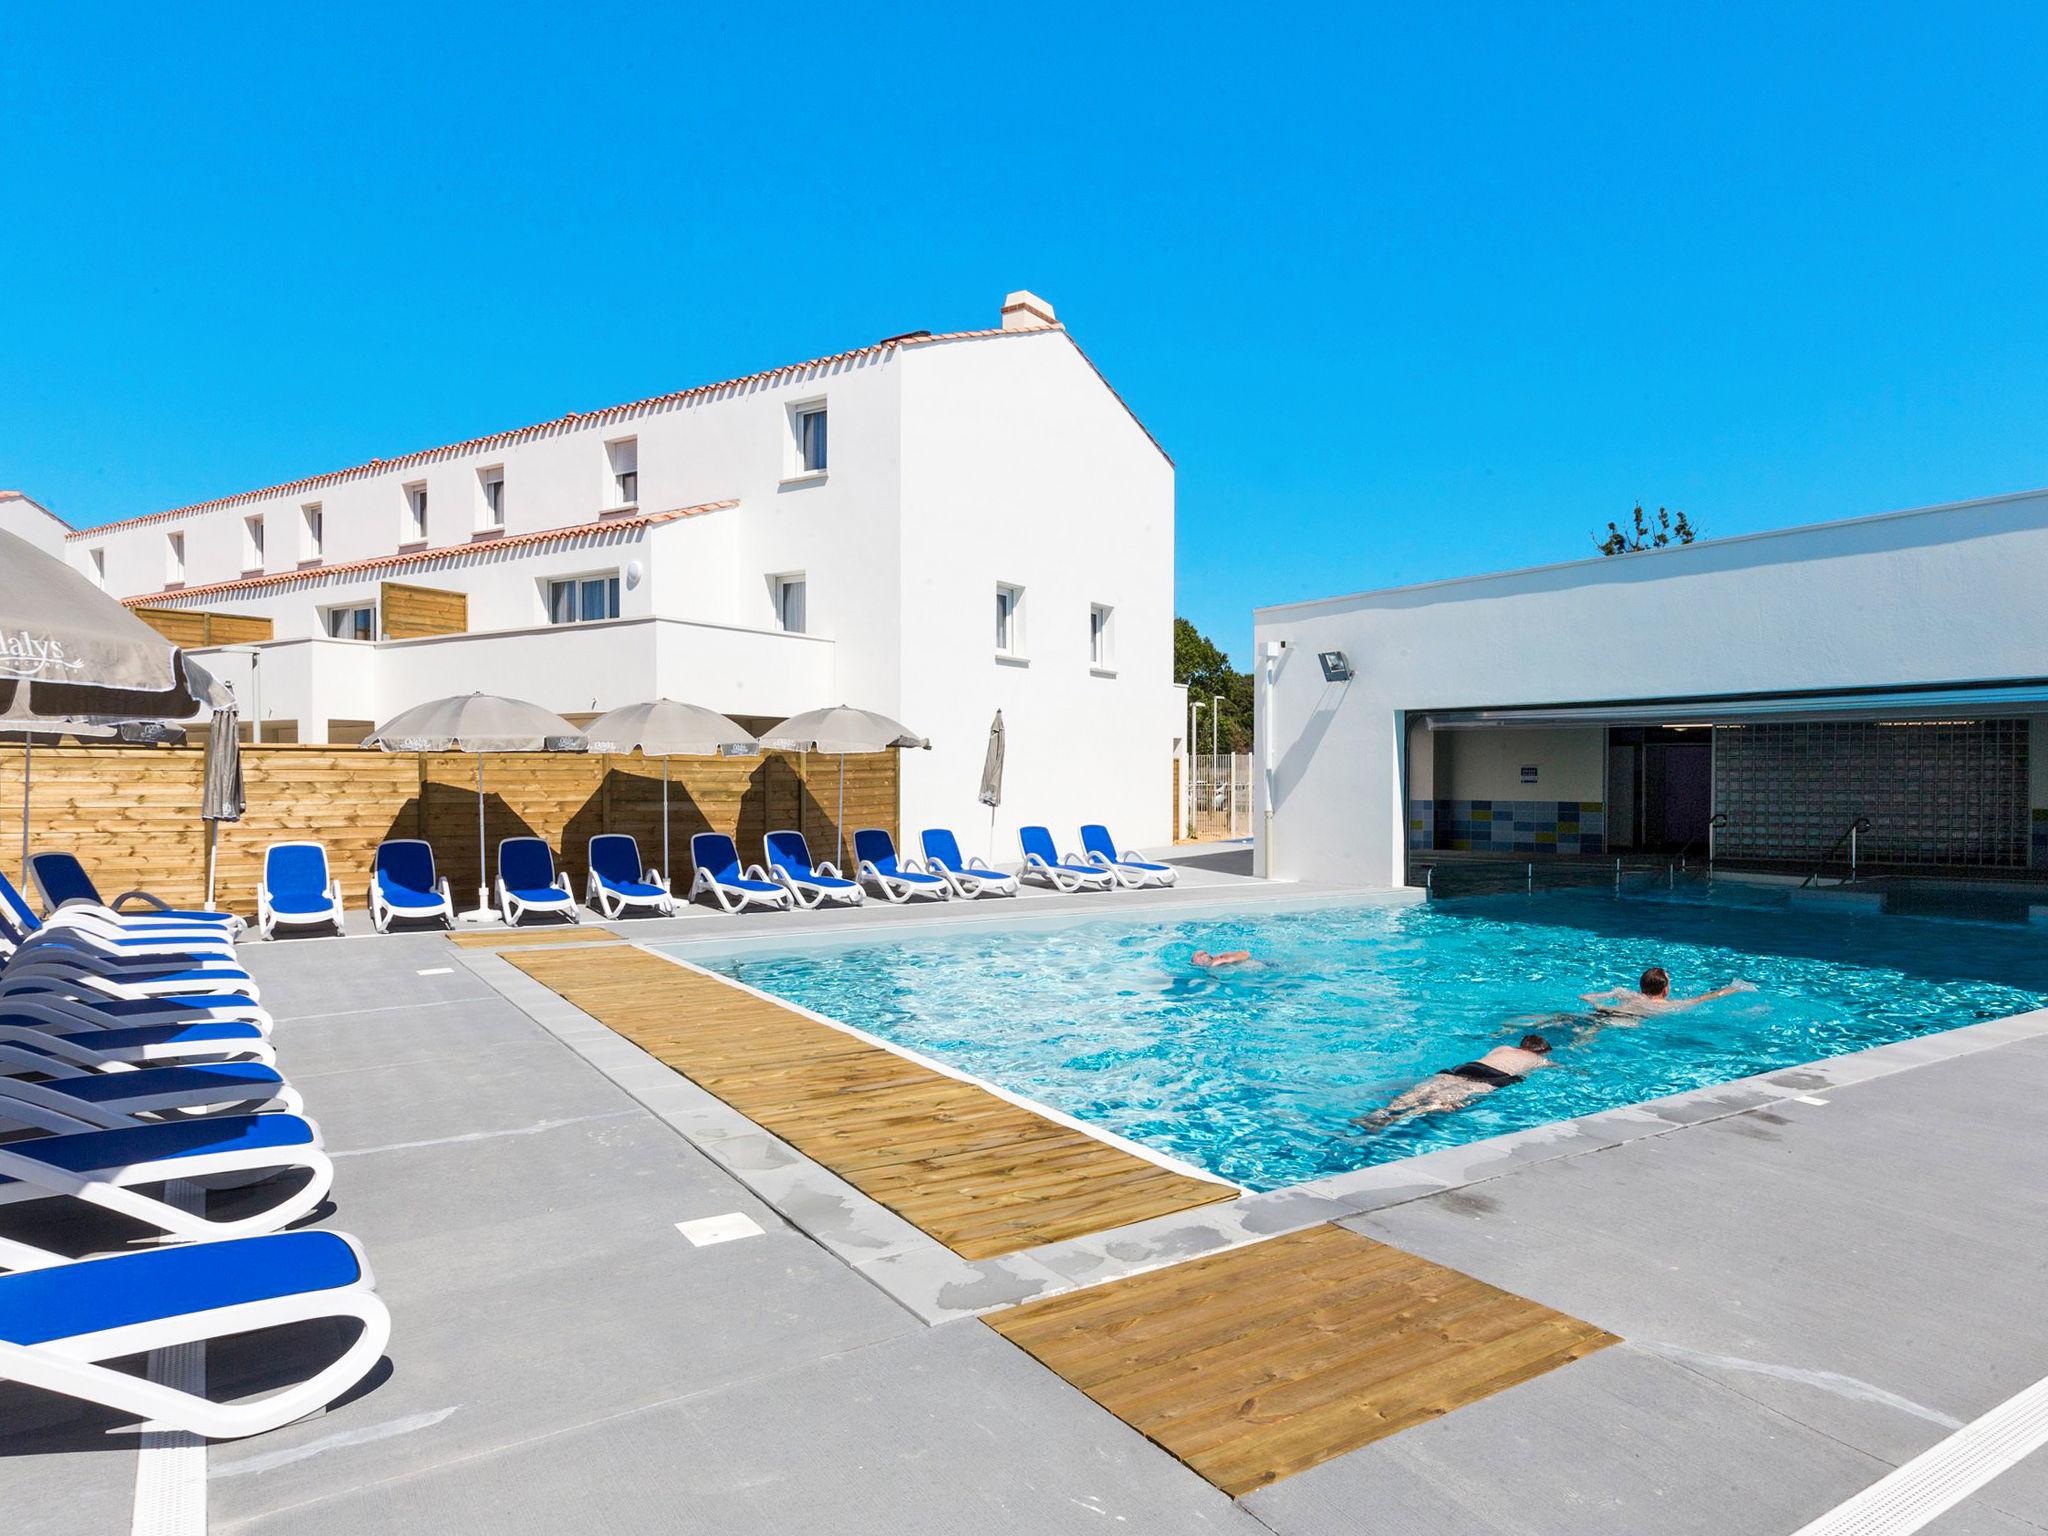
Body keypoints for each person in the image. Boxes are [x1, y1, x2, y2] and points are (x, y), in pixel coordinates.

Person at [1357, 1034, 1555, 1128]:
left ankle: (1381, 1113)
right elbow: (1557, 1067)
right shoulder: (1541, 1060)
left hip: (1466, 1067)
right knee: (1442, 1101)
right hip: (1495, 1077)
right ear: (1542, 1051)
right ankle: (1394, 1120)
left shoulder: (1503, 1048)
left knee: (1419, 1093)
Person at [1581, 966, 1756, 1020]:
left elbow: (1590, 996)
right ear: (1666, 990)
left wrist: (1595, 1001)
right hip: (1623, 1021)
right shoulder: (1672, 1006)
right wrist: (1736, 987)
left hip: (1602, 1012)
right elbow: (1706, 997)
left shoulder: (1629, 995)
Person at [1191, 949, 1258, 970]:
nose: (1202, 957)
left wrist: (1226, 960)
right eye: (1200, 956)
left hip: (1257, 965)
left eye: (1202, 955)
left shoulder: (1221, 958)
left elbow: (1246, 954)